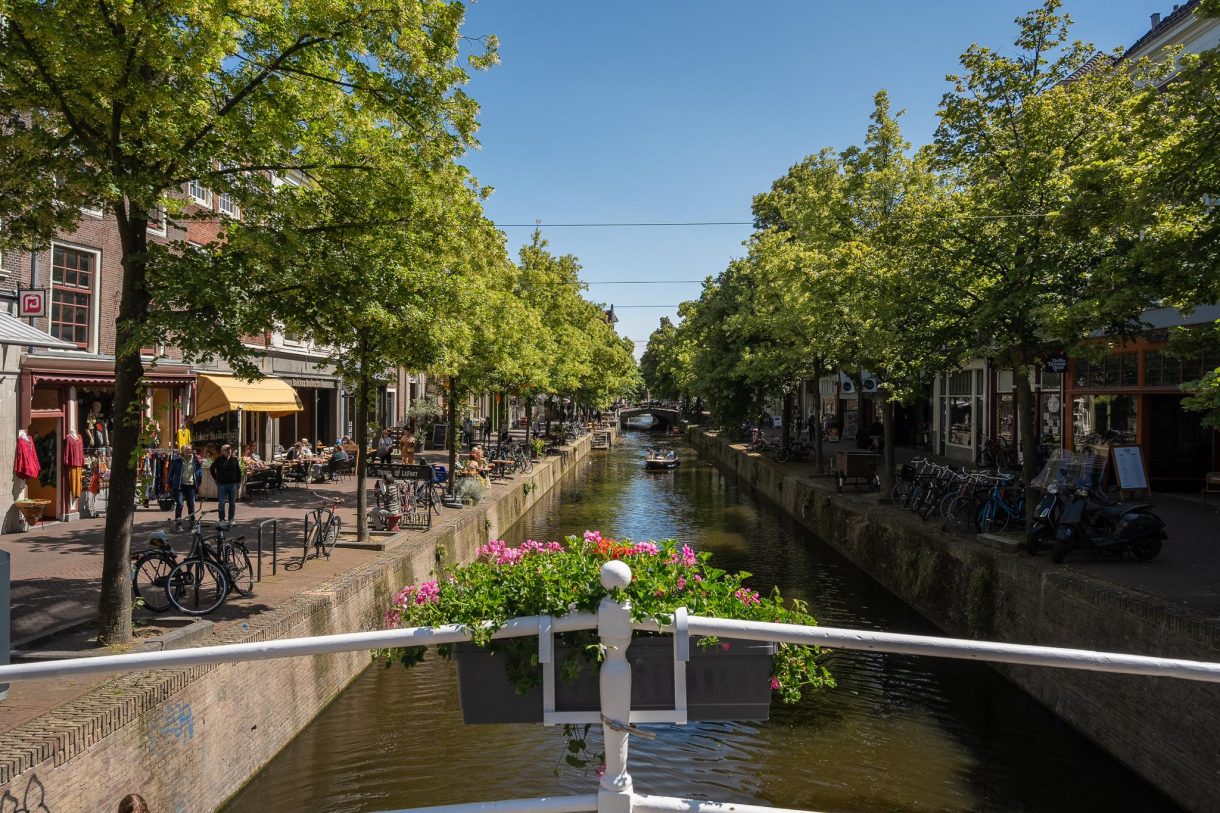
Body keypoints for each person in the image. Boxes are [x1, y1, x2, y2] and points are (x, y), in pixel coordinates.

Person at [170, 445, 202, 530]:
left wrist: (199, 481)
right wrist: (170, 482)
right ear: (182, 451)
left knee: (191, 504)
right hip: (180, 485)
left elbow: (199, 472)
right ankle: (178, 523)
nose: (189, 451)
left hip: (191, 485)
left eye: (190, 449)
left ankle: (192, 523)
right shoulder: (177, 460)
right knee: (180, 504)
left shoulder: (195, 460)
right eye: (187, 449)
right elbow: (172, 472)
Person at [211, 444, 242, 523]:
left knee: (232, 503)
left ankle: (231, 518)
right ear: (222, 451)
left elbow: (238, 471)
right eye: (227, 450)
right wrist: (215, 478)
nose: (229, 451)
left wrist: (239, 482)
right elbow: (212, 469)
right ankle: (221, 519)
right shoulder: (218, 459)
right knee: (221, 503)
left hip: (233, 484)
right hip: (222, 484)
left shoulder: (234, 459)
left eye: (230, 450)